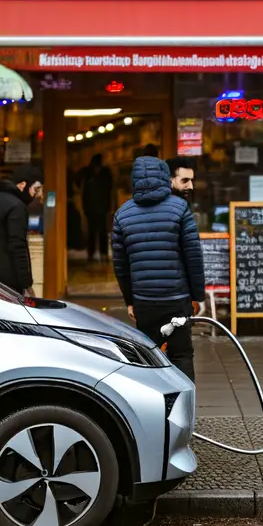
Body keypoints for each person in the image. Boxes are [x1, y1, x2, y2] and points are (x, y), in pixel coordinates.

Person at [112, 156, 205, 381]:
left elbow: (120, 265)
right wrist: (197, 296)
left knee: (149, 358)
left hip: (145, 301)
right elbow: (193, 256)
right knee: (182, 354)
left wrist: (130, 300)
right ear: (166, 177)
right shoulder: (180, 209)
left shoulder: (122, 214)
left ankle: (154, 411)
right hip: (177, 299)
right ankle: (183, 411)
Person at [0, 165, 43, 296]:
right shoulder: (17, 207)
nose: (38, 194)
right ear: (23, 185)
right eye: (36, 189)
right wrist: (26, 285)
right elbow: (17, 246)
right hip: (7, 281)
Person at [81, 154, 114, 262]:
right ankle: (96, 253)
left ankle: (99, 253)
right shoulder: (97, 174)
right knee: (97, 231)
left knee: (100, 231)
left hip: (98, 207)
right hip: (96, 207)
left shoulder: (92, 174)